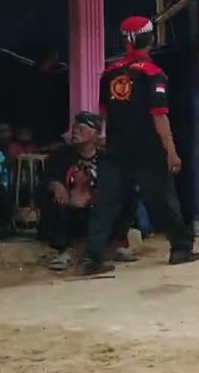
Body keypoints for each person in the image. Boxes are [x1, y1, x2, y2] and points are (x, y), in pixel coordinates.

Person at [78, 17, 199, 276]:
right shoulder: (153, 75)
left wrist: (104, 139)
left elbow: (104, 114)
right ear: (150, 39)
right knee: (163, 201)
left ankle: (92, 257)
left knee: (106, 205)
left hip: (116, 150)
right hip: (148, 151)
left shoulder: (109, 74)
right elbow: (159, 116)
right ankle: (180, 248)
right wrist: (171, 151)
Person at [40, 112, 138, 269]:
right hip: (70, 209)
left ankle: (115, 245)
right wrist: (58, 186)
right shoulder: (61, 155)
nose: (75, 131)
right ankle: (65, 249)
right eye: (74, 128)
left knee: (130, 192)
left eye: (81, 128)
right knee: (53, 196)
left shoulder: (106, 159)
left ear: (95, 134)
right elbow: (49, 177)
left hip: (97, 211)